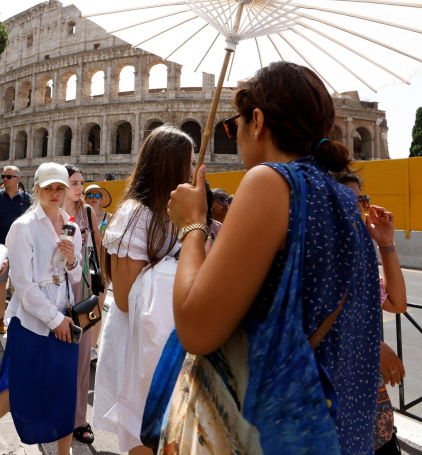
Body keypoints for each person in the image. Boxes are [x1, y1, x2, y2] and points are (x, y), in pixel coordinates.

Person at [159, 62, 381, 453]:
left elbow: (196, 328)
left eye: (234, 125)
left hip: (266, 432)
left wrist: (192, 225)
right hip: (331, 431)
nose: (236, 135)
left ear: (257, 121)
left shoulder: (270, 181)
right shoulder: (344, 198)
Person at [93, 126, 195, 455]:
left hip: (161, 340)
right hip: (135, 342)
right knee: (141, 436)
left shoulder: (172, 213)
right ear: (172, 166)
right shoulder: (136, 215)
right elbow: (123, 299)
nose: (193, 171)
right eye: (189, 164)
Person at [0, 163, 82, 455]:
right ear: (36, 190)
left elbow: (76, 274)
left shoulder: (72, 225)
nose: (55, 193)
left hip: (64, 317)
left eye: (60, 187)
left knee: (65, 388)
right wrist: (55, 319)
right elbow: (22, 284)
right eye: (49, 188)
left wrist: (72, 261)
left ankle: (63, 452)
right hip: (33, 320)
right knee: (21, 381)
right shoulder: (23, 227)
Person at [334, 170, 407, 453]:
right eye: (347, 200)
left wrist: (386, 243)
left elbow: (396, 302)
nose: (357, 209)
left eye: (360, 200)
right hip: (335, 419)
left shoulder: (358, 259)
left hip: (375, 422)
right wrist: (370, 346)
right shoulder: (317, 258)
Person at [62, 165, 100, 445]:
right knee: (55, 349)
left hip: (82, 285)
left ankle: (78, 419)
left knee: (83, 352)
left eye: (81, 183)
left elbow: (97, 247)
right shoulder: (48, 215)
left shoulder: (87, 212)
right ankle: (53, 409)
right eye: (74, 183)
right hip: (55, 285)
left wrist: (102, 282)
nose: (79, 188)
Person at [0, 166, 31, 333]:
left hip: (21, 247)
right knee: (0, 284)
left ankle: (16, 318)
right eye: (3, 176)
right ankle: (2, 319)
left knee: (19, 284)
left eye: (9, 176)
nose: (5, 179)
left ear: (18, 178)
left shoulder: (27, 199)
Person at [83, 183, 113, 360]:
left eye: (98, 195)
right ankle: (84, 342)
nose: (94, 199)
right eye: (90, 195)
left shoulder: (110, 218)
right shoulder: (81, 216)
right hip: (82, 265)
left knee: (97, 306)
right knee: (83, 305)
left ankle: (92, 347)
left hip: (101, 264)